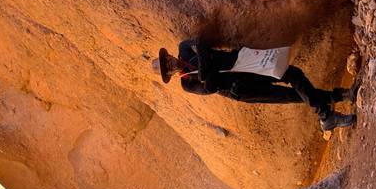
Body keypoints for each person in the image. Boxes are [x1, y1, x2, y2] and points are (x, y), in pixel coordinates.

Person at [151, 39, 357, 131]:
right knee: (287, 95)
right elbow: (210, 88)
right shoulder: (187, 84)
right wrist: (208, 68)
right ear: (170, 74)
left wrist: (205, 72)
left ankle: (328, 115)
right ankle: (339, 99)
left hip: (246, 64)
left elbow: (202, 45)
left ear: (168, 54)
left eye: (167, 60)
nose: (170, 63)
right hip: (241, 89)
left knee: (292, 73)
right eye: (167, 67)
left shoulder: (184, 48)